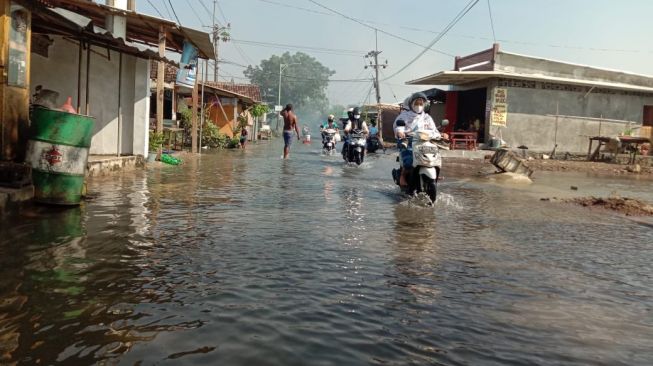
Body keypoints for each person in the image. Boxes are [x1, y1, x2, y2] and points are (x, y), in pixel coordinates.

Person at [393, 92, 441, 186]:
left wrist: (441, 134)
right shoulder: (404, 116)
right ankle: (403, 175)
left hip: (425, 142)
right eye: (416, 103)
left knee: (435, 157)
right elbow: (399, 126)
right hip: (409, 141)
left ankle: (433, 171)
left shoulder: (427, 117)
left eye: (421, 104)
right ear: (411, 104)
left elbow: (434, 130)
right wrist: (400, 132)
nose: (418, 106)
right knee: (408, 160)